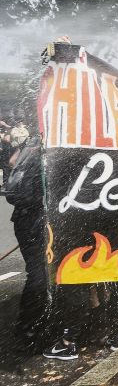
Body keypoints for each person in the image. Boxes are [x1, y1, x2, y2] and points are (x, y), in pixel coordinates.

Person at [5, 133, 48, 347]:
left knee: (41, 273)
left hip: (28, 219)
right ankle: (27, 326)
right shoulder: (42, 149)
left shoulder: (31, 144)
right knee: (39, 274)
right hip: (33, 220)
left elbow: (12, 162)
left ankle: (35, 322)